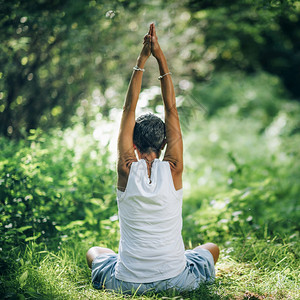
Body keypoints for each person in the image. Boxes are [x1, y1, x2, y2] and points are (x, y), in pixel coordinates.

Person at [86, 23, 219, 295]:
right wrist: (160, 57)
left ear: (133, 144)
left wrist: (141, 60)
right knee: (211, 249)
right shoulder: (174, 169)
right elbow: (171, 108)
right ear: (166, 143)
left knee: (95, 251)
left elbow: (128, 108)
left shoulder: (126, 167)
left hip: (127, 282)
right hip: (176, 279)